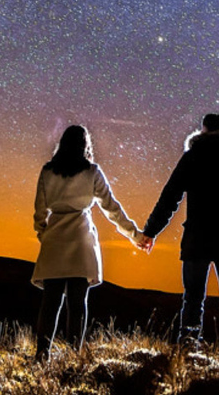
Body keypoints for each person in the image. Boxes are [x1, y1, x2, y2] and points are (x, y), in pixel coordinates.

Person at [140, 113, 219, 362]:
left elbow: (170, 198)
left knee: (192, 299)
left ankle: (188, 354)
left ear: (202, 130)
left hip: (197, 239)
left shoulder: (191, 158)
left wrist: (150, 231)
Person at [32, 124, 145, 360]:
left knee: (50, 302)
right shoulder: (92, 172)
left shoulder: (47, 172)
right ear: (85, 145)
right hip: (81, 240)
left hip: (54, 241)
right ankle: (75, 356)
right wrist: (134, 234)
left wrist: (44, 235)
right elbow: (111, 208)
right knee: (77, 303)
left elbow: (39, 212)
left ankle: (42, 353)